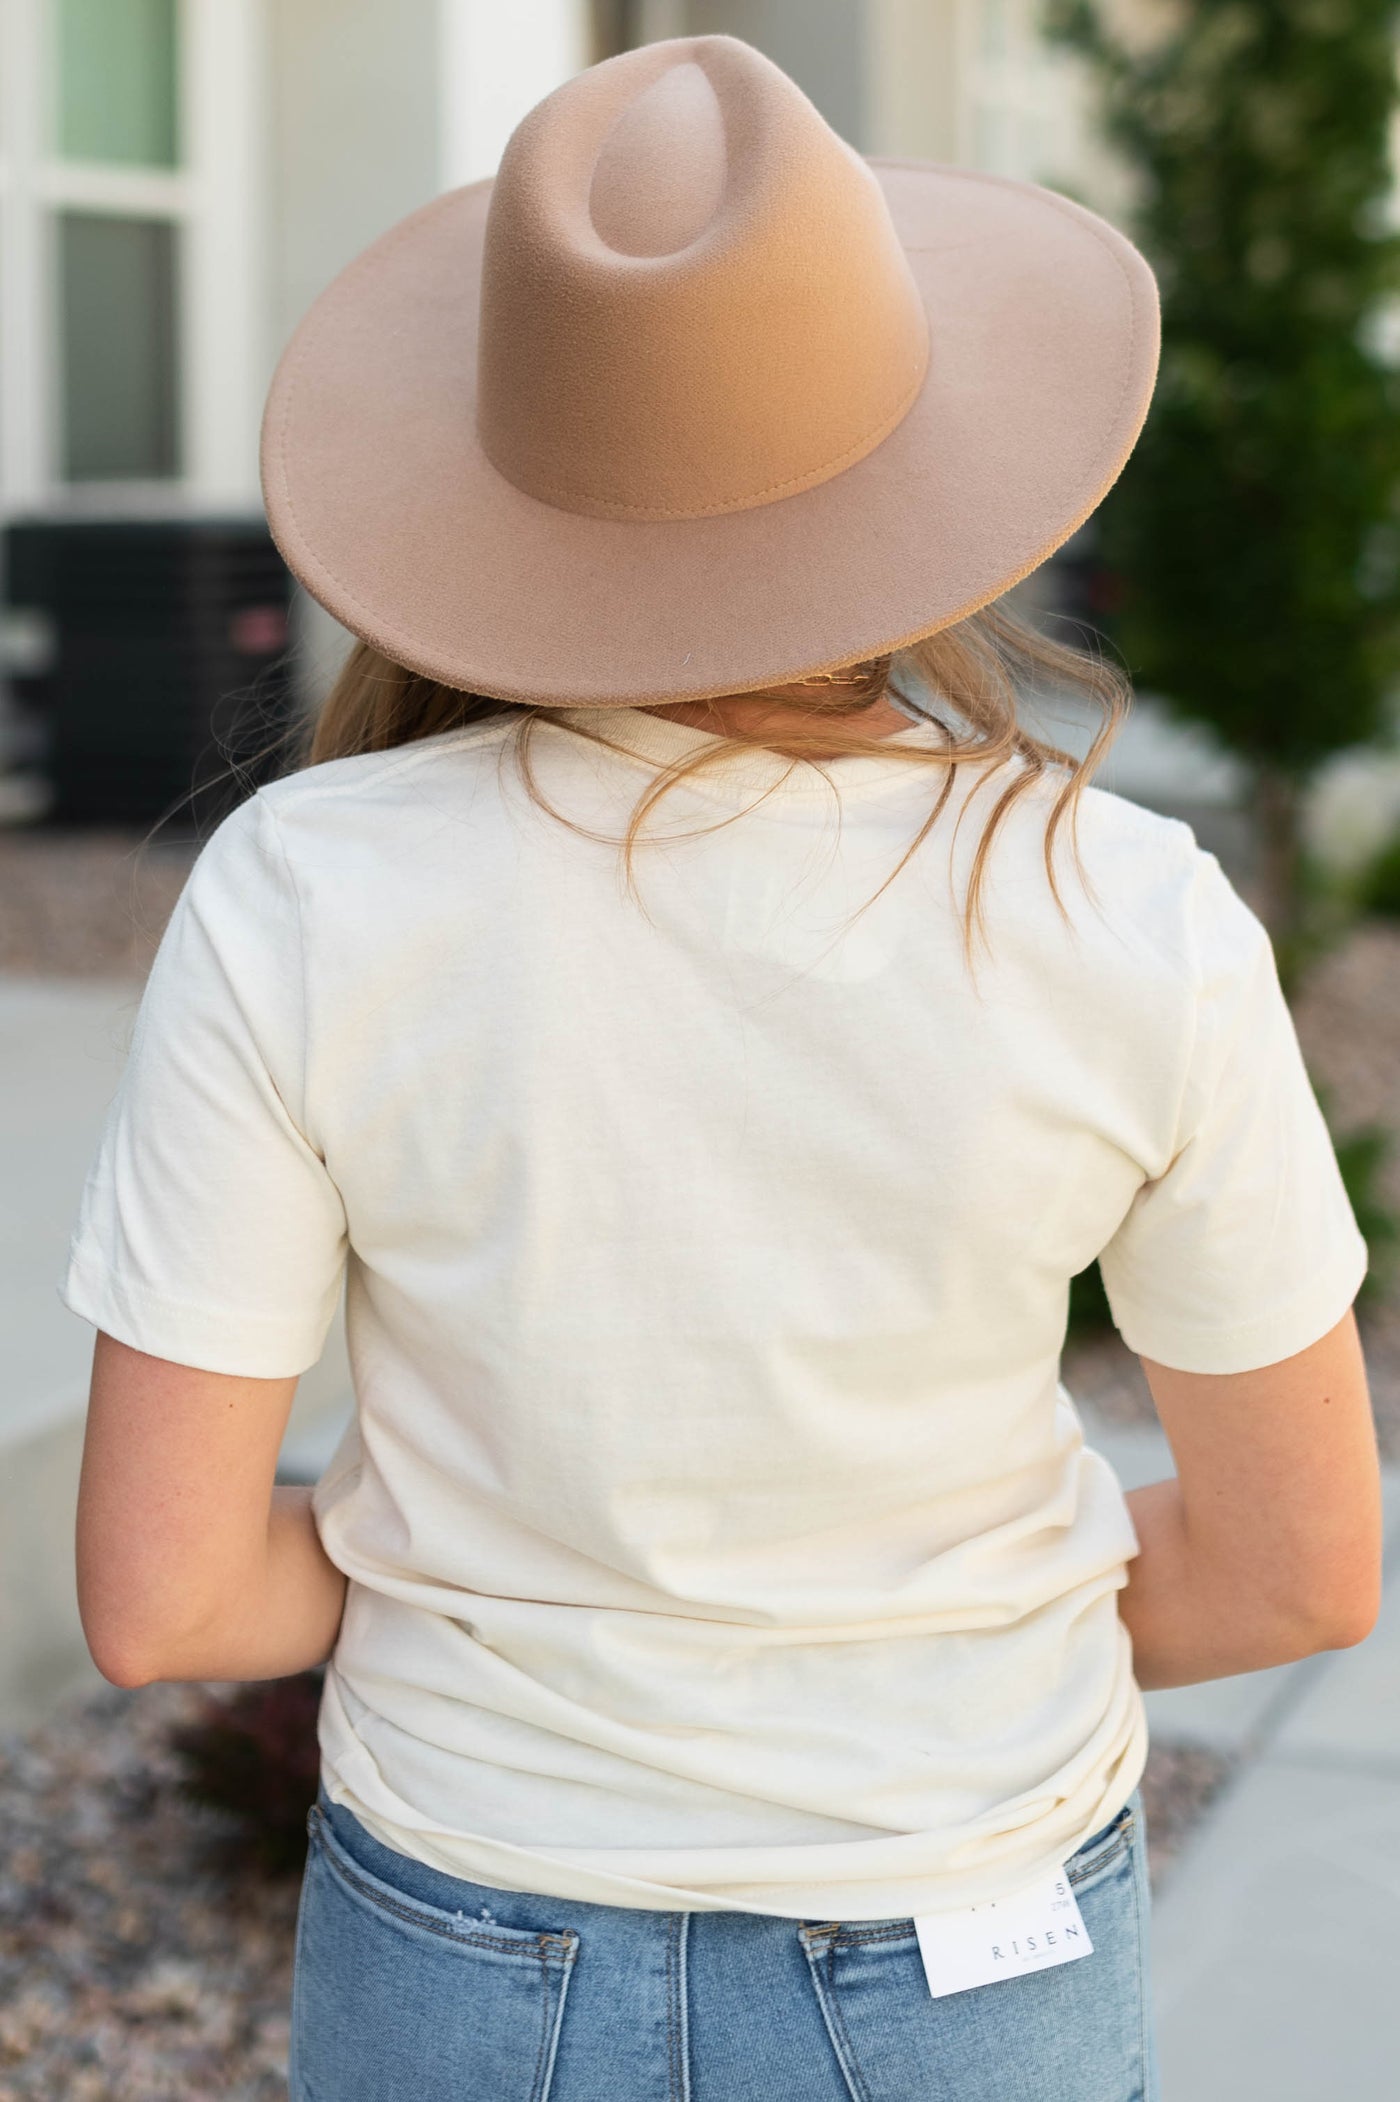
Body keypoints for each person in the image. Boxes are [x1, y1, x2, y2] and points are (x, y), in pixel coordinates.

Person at [63, 34, 1381, 2102]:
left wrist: (489, 1572)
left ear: (499, 471)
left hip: (466, 1945)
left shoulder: (305, 888)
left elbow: (158, 1593)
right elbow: (1301, 1561)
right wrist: (911, 1624)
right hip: (977, 1952)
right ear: (924, 456)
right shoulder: (1121, 906)